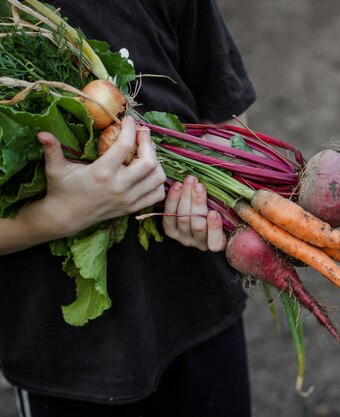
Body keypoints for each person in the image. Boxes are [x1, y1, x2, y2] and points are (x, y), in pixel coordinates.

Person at [0, 1, 256, 416]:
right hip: (68, 362)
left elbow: (226, 112)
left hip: (198, 302)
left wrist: (210, 196)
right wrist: (56, 217)